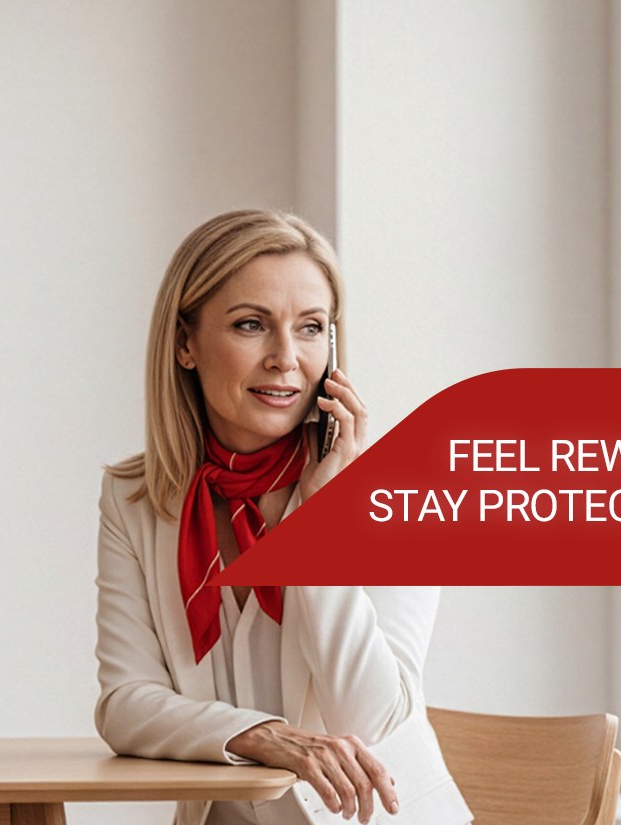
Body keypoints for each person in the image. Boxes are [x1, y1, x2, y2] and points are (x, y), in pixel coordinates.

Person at [94, 210, 472, 825]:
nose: (286, 358)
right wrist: (262, 735)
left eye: (311, 328)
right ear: (185, 343)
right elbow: (126, 705)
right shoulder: (137, 498)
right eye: (251, 325)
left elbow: (370, 720)